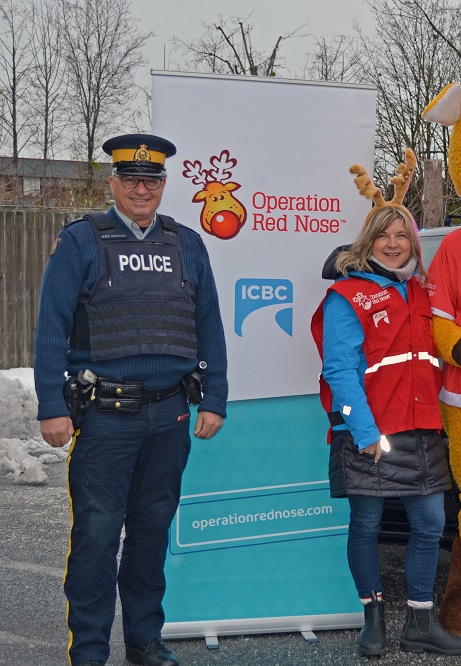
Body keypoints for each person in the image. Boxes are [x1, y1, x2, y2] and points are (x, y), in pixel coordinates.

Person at [33, 134, 228, 666]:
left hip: (170, 414)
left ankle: (144, 640)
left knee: (150, 535)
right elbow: (50, 327)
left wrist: (215, 397)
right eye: (131, 179)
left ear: (164, 185)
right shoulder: (80, 242)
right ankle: (90, 650)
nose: (142, 188)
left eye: (153, 180)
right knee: (96, 540)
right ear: (113, 183)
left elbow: (208, 325)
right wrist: (51, 404)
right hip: (104, 419)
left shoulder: (188, 244)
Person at [310, 150, 461, 657]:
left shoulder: (425, 292)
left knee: (429, 524)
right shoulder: (347, 296)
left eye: (403, 235)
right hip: (371, 434)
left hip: (423, 429)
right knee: (367, 525)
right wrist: (363, 434)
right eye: (385, 235)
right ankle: (373, 617)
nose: (395, 244)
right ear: (368, 241)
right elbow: (339, 370)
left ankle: (420, 621)